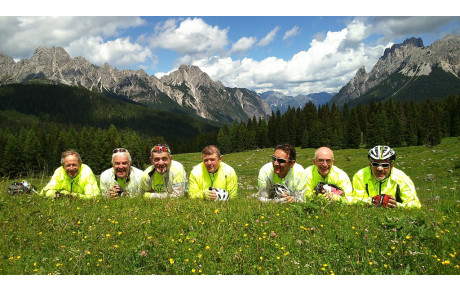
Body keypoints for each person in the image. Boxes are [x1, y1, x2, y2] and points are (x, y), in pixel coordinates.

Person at [348, 145, 421, 209]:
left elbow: (416, 204)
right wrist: (372, 201)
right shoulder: (360, 176)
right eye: (375, 164)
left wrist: (396, 205)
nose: (380, 169)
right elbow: (356, 200)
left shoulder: (401, 178)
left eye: (385, 165)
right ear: (370, 164)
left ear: (391, 166)